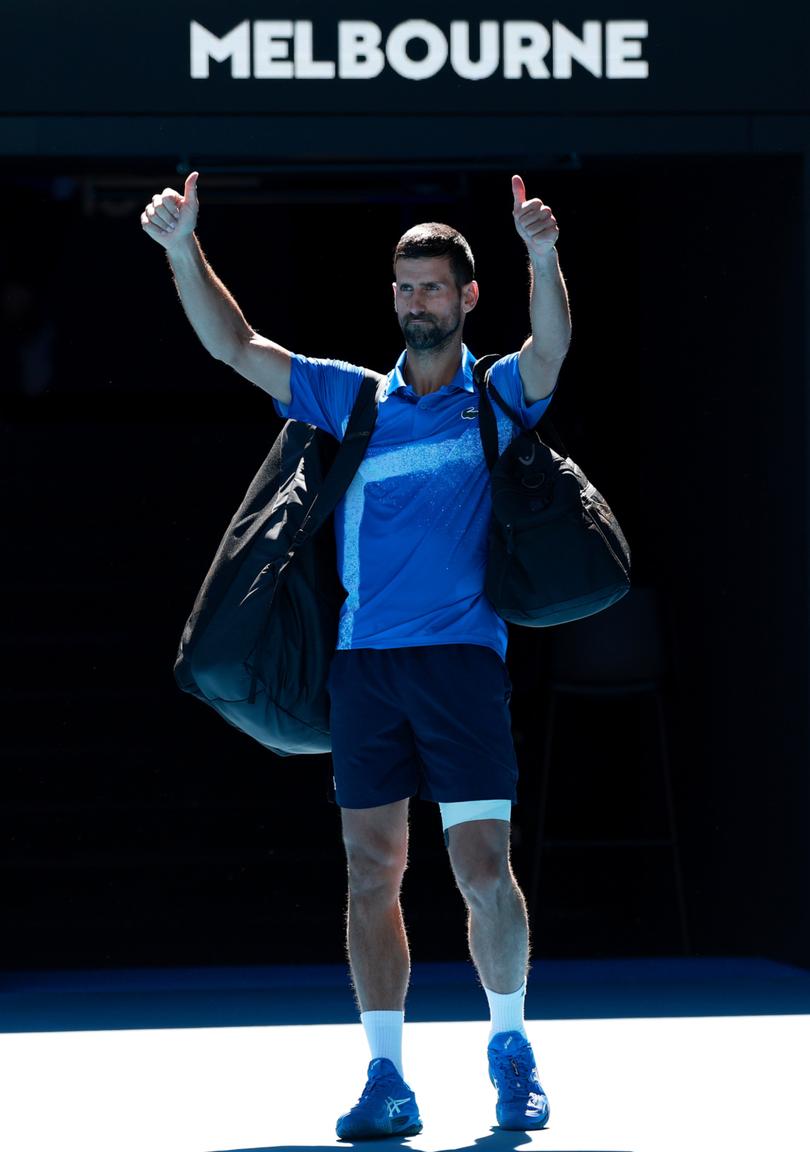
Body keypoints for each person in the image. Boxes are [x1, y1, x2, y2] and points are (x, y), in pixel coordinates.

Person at [141, 170, 571, 1139]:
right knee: (370, 873)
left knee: (480, 867)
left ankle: (510, 1048)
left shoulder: (497, 399)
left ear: (467, 298)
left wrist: (541, 255)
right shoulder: (351, 402)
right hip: (365, 669)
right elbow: (236, 346)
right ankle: (387, 1077)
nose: (416, 301)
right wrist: (181, 249)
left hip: (461, 665)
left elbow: (550, 352)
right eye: (403, 286)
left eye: (432, 287)